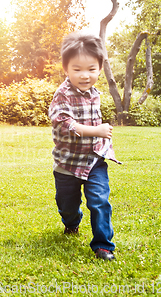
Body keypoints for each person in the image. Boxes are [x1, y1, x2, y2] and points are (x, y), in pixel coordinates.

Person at [48, 32, 121, 261]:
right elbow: (64, 124)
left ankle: (103, 246)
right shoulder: (62, 94)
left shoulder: (95, 93)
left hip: (94, 159)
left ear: (100, 68)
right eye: (77, 69)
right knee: (67, 205)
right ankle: (71, 222)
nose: (85, 75)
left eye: (91, 69)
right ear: (66, 68)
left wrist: (100, 138)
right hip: (67, 163)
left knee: (100, 200)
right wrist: (96, 130)